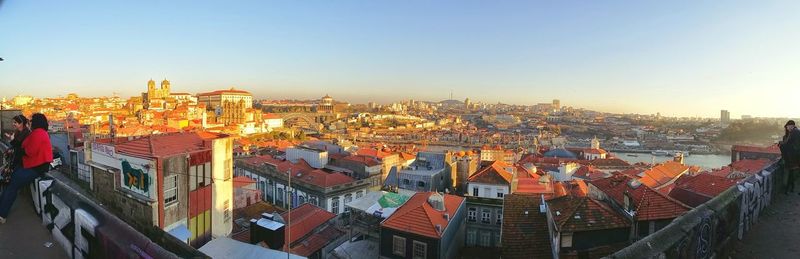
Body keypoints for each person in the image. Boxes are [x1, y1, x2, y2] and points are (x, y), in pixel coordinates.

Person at [0, 113, 52, 223]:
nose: (30, 123)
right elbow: (23, 146)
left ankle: (2, 214)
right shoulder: (38, 133)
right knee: (10, 182)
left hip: (35, 167)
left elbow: (29, 151)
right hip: (31, 165)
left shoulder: (38, 133)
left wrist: (17, 149)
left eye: (31, 121)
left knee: (12, 184)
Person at [1, 115, 31, 185]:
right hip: (16, 158)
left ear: (21, 123)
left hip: (21, 160)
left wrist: (12, 139)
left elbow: (18, 145)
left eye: (15, 122)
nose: (13, 124)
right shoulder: (18, 132)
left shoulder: (26, 133)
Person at [779, 120, 800, 195]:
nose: (787, 128)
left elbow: (786, 143)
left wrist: (780, 144)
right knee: (792, 174)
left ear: (791, 126)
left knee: (790, 173)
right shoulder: (797, 131)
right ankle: (791, 188)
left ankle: (787, 189)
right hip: (796, 157)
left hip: (795, 158)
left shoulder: (794, 132)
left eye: (787, 127)